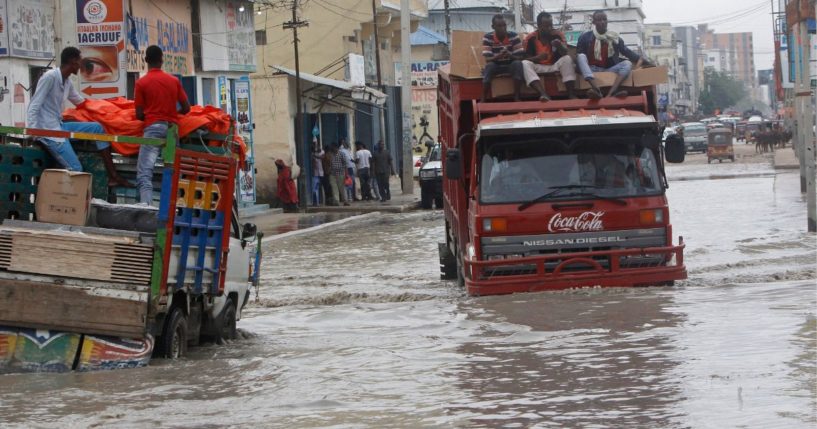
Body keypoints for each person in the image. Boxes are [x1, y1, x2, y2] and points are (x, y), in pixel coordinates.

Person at [26, 46, 133, 187]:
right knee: (76, 169)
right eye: (79, 62)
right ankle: (66, 203)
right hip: (49, 131)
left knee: (97, 128)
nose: (81, 66)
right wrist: (34, 132)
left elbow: (81, 102)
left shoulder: (67, 81)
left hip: (59, 126)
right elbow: (34, 105)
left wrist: (109, 110)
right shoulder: (50, 77)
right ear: (72, 62)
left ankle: (113, 176)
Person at [134, 45, 191, 205]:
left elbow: (139, 115)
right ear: (162, 60)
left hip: (153, 129)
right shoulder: (174, 81)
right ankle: (175, 210)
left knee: (145, 173)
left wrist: (152, 114)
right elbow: (186, 108)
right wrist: (171, 114)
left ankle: (147, 209)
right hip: (172, 130)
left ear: (146, 60)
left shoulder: (141, 83)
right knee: (174, 173)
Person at [576, 10, 653, 99]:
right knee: (581, 56)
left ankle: (611, 93)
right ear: (594, 22)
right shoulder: (585, 37)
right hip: (590, 70)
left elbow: (627, 52)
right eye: (599, 20)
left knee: (627, 64)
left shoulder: (614, 38)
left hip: (607, 69)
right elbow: (578, 56)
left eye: (604, 19)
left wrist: (646, 62)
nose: (602, 22)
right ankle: (596, 89)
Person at [520, 12, 577, 101]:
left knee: (567, 59)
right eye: (546, 26)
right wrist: (537, 58)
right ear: (539, 26)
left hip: (555, 65)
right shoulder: (530, 38)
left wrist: (559, 46)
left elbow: (566, 52)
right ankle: (544, 94)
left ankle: (571, 94)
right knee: (524, 63)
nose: (549, 28)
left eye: (551, 25)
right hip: (538, 66)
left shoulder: (557, 34)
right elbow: (524, 58)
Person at [481, 14, 524, 102]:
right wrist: (499, 56)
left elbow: (520, 57)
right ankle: (484, 97)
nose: (503, 28)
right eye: (499, 26)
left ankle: (517, 96)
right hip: (496, 65)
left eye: (504, 25)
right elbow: (487, 59)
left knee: (518, 64)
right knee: (489, 66)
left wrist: (510, 55)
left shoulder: (514, 36)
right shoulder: (487, 37)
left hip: (510, 65)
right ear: (493, 27)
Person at [311, 141, 325, 206]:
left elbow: (322, 157)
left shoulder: (321, 152)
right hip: (315, 173)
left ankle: (320, 201)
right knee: (314, 188)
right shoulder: (312, 154)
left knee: (319, 187)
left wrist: (315, 155)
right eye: (314, 145)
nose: (316, 147)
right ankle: (316, 202)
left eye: (317, 145)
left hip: (321, 173)